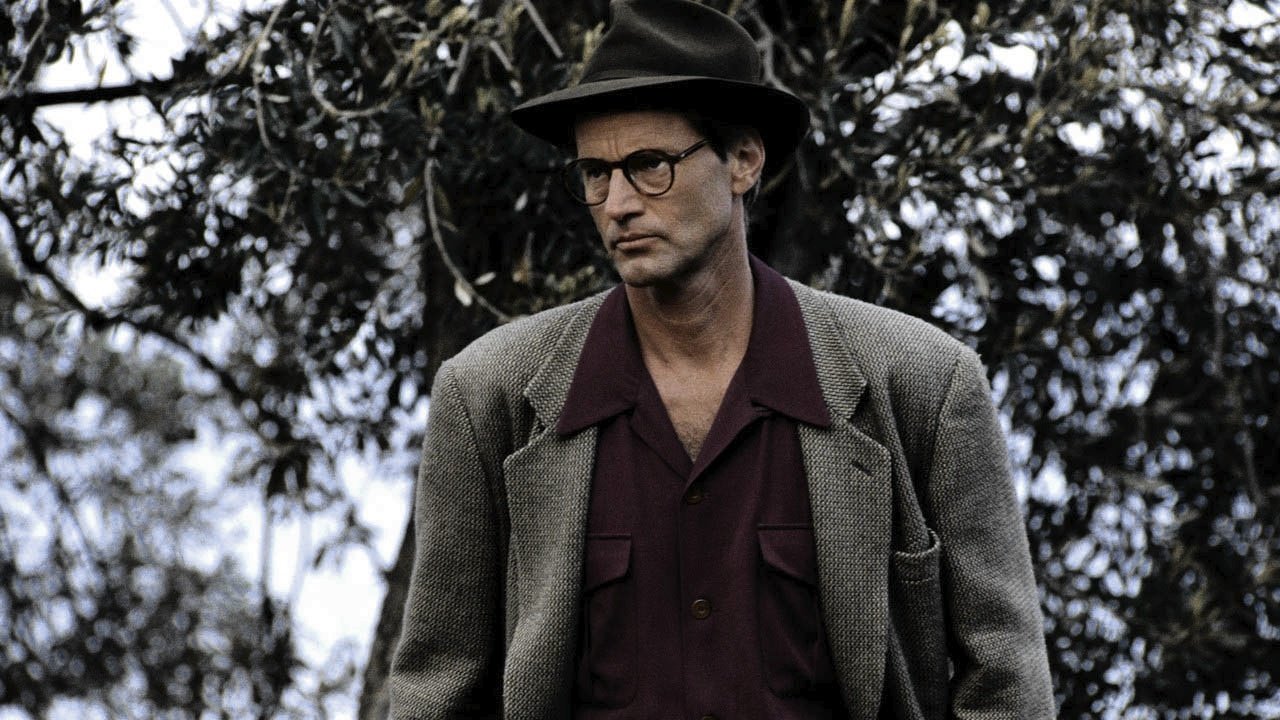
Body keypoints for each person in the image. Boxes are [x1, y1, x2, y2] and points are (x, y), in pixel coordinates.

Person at [388, 0, 1055, 718]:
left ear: (743, 160)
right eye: (595, 173)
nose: (617, 204)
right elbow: (436, 694)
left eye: (649, 165)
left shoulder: (923, 384)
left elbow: (1007, 684)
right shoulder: (489, 396)